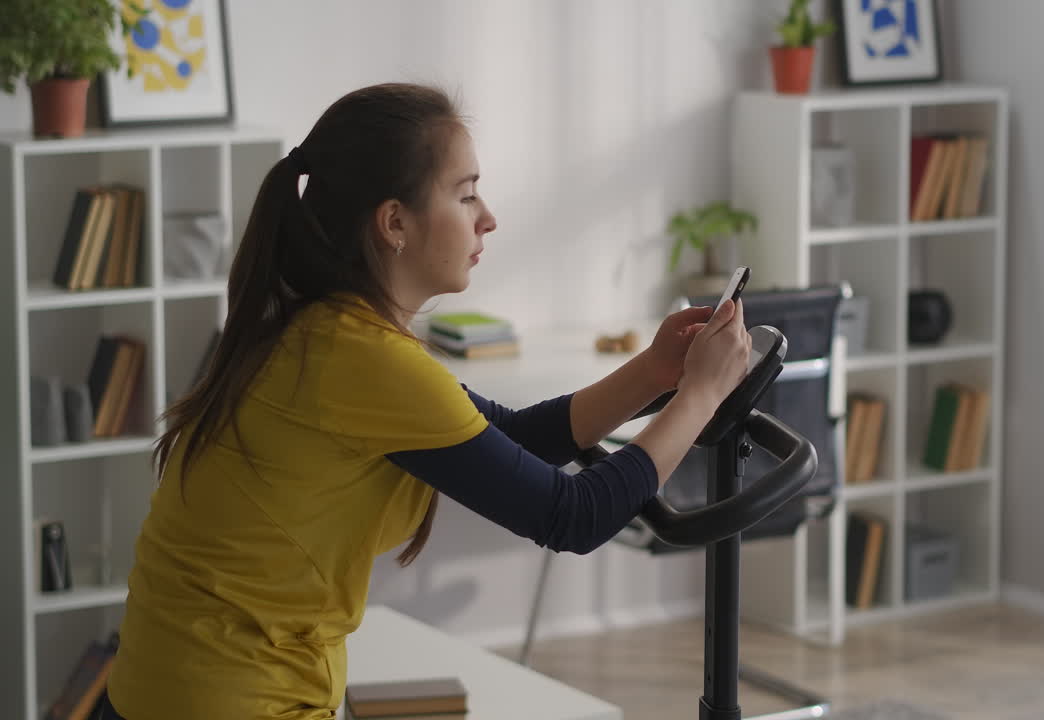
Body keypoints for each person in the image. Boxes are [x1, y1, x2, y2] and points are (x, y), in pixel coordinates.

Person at [101, 83, 750, 720]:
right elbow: (573, 516)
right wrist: (699, 395)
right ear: (394, 223)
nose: (488, 216)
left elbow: (517, 436)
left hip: (161, 689)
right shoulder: (368, 360)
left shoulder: (322, 330)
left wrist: (656, 371)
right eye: (466, 194)